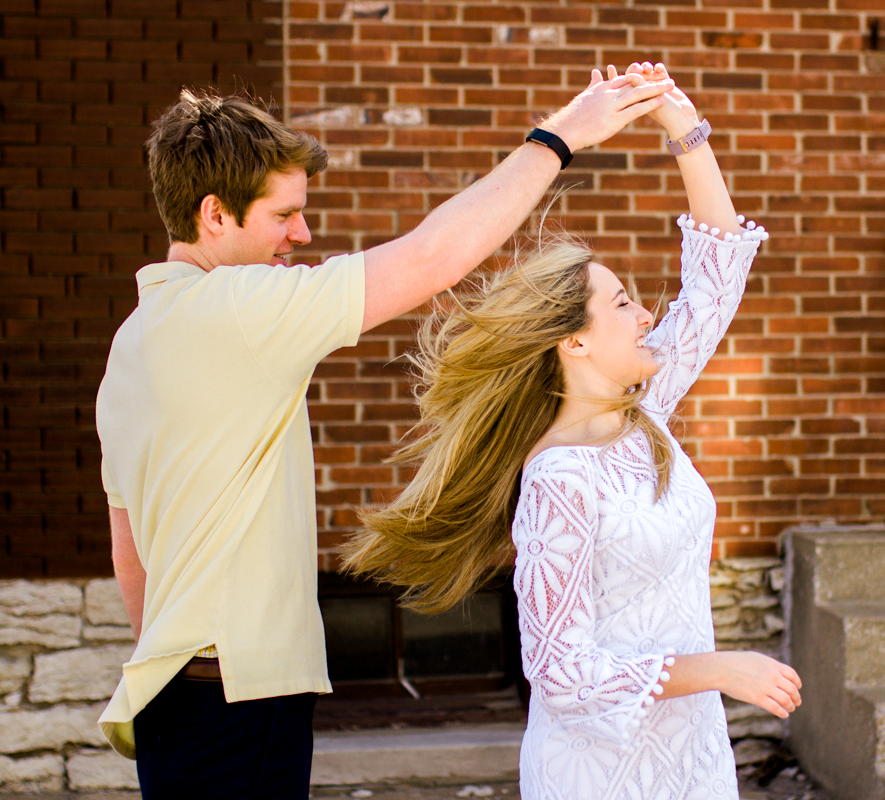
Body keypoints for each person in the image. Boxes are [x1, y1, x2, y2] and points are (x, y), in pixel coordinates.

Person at [95, 69, 673, 799]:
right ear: (215, 214)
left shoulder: (132, 340)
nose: (302, 234)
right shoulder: (239, 309)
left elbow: (130, 557)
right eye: (283, 216)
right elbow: (434, 259)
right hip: (236, 698)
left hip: (177, 700)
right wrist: (560, 137)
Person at [342, 63, 802, 799]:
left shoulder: (644, 411)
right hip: (598, 774)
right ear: (574, 343)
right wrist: (722, 668)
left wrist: (682, 125)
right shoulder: (558, 479)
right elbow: (562, 672)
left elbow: (717, 271)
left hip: (692, 759)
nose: (648, 313)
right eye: (623, 303)